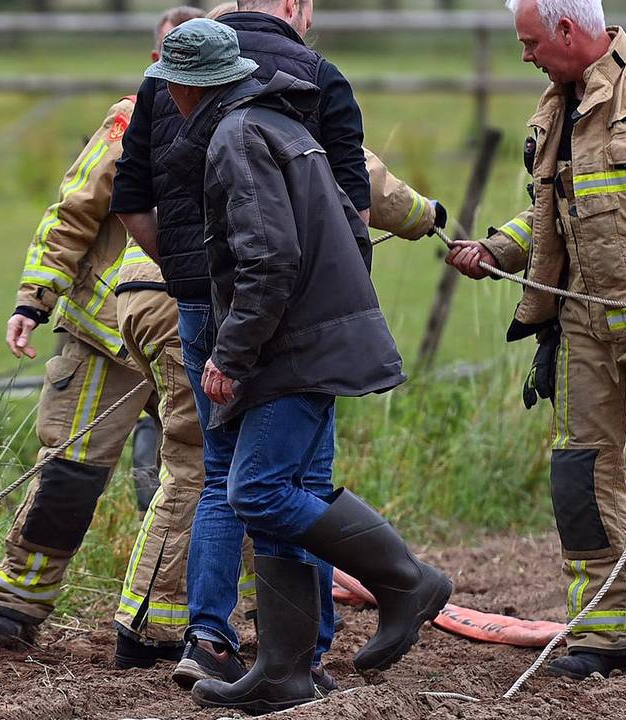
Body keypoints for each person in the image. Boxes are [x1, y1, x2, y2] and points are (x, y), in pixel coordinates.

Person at [142, 20, 453, 714]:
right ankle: (283, 671)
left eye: (171, 86)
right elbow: (343, 220)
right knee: (272, 491)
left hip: (296, 346)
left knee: (253, 490)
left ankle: (407, 581)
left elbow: (270, 259)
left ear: (189, 87)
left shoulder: (236, 139)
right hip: (311, 336)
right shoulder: (274, 122)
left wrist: (231, 353)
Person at [446, 0, 626, 679]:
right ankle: (604, 635)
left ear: (567, 31)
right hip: (582, 326)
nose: (524, 56)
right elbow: (550, 212)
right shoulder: (554, 112)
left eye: (529, 42)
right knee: (580, 475)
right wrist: (497, 250)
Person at [0, 6, 207, 669]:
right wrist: (33, 298)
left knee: (190, 478)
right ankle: (13, 604)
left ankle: (177, 616)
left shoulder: (224, 117)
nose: (170, 70)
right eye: (163, 56)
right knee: (72, 474)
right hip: (105, 338)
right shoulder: (129, 121)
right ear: (151, 56)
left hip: (187, 331)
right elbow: (73, 211)